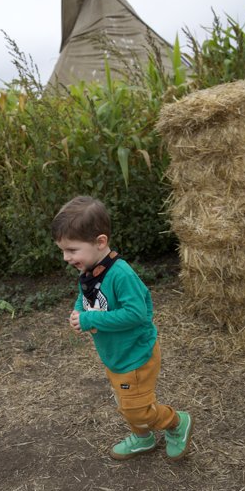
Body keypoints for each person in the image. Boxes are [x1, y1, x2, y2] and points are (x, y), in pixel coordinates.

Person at [51, 195, 193, 461]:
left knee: (138, 409)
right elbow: (86, 295)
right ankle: (143, 437)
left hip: (135, 356)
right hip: (115, 354)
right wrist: (79, 311)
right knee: (125, 403)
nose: (65, 257)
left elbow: (136, 314)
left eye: (71, 250)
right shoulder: (91, 269)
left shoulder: (121, 274)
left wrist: (90, 320)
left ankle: (176, 422)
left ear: (100, 242)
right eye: (62, 250)